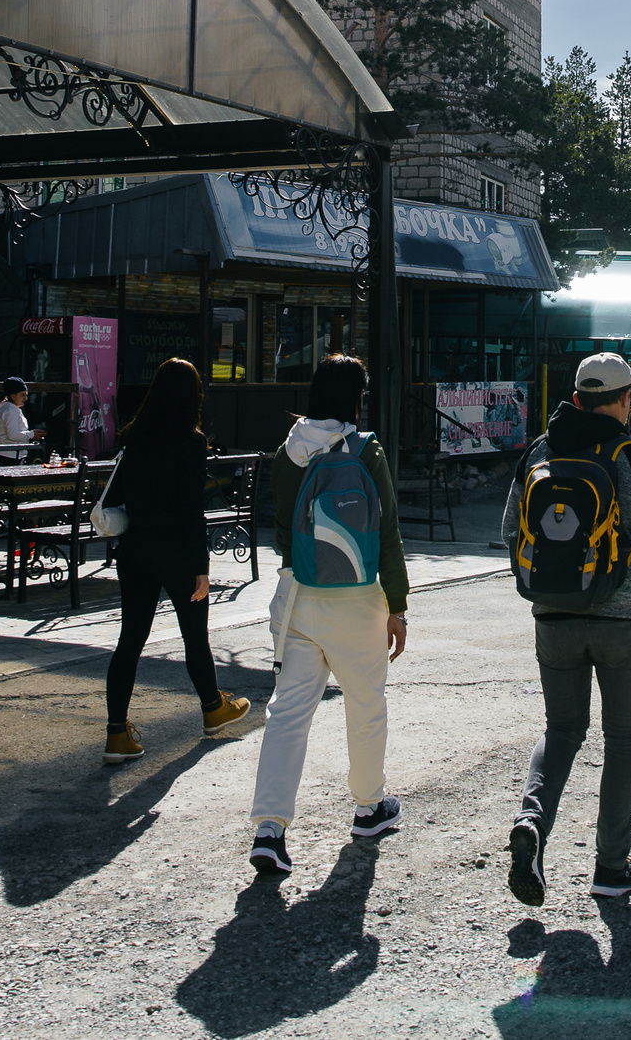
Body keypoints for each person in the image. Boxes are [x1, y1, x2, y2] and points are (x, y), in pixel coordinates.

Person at [506, 351, 631, 907]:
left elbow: (512, 530)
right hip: (621, 620)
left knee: (561, 730)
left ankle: (532, 823)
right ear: (626, 400)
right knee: (622, 739)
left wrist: (546, 586)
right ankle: (610, 866)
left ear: (576, 397)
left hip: (553, 615)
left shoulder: (540, 451)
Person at [248, 354, 409, 875]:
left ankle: (269, 828)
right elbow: (387, 533)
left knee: (288, 713)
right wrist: (398, 605)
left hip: (298, 597)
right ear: (355, 397)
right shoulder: (367, 449)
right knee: (365, 704)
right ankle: (368, 808)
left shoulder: (286, 453)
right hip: (358, 600)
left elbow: (277, 532)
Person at [101, 359, 252, 765]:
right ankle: (212, 708)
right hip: (177, 552)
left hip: (135, 549)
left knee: (129, 641)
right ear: (193, 395)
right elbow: (190, 508)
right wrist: (201, 564)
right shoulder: (191, 440)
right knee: (194, 637)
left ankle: (117, 733)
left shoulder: (135, 437)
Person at [0, 377, 42, 463]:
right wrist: (32, 434)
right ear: (13, 396)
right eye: (22, 395)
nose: (26, 398)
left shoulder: (11, 409)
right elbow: (13, 435)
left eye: (26, 395)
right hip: (9, 457)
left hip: (9, 455)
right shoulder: (11, 410)